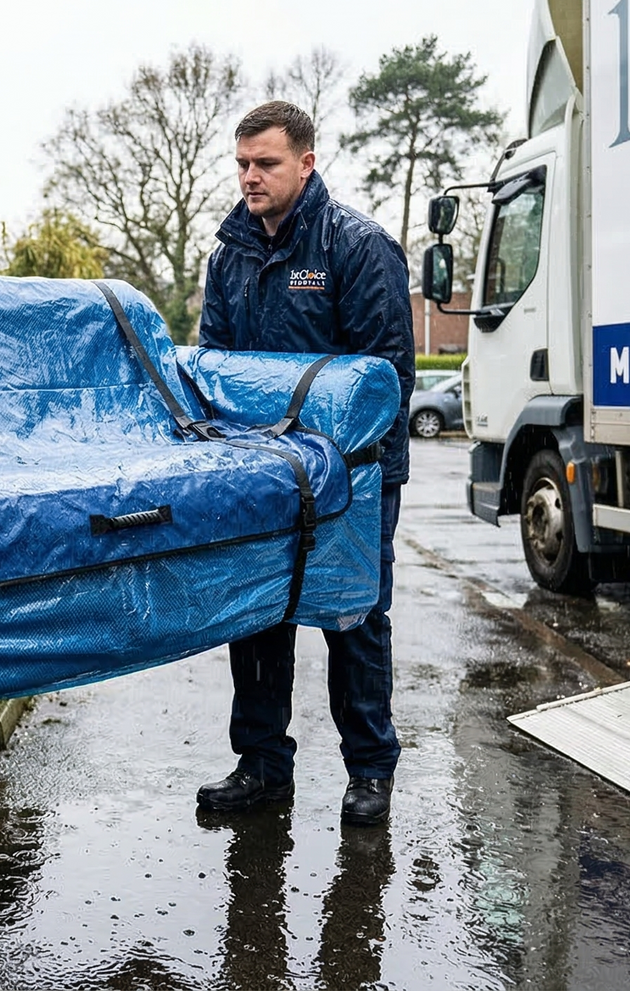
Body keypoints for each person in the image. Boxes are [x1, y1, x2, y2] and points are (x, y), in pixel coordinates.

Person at [194, 100, 413, 826]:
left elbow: (385, 380)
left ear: (307, 162)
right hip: (260, 475)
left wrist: (317, 447)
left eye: (266, 163)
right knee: (257, 611)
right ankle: (262, 766)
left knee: (353, 617)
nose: (250, 177)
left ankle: (371, 772)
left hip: (354, 473)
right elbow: (215, 373)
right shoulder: (229, 256)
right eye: (243, 165)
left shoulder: (356, 246)